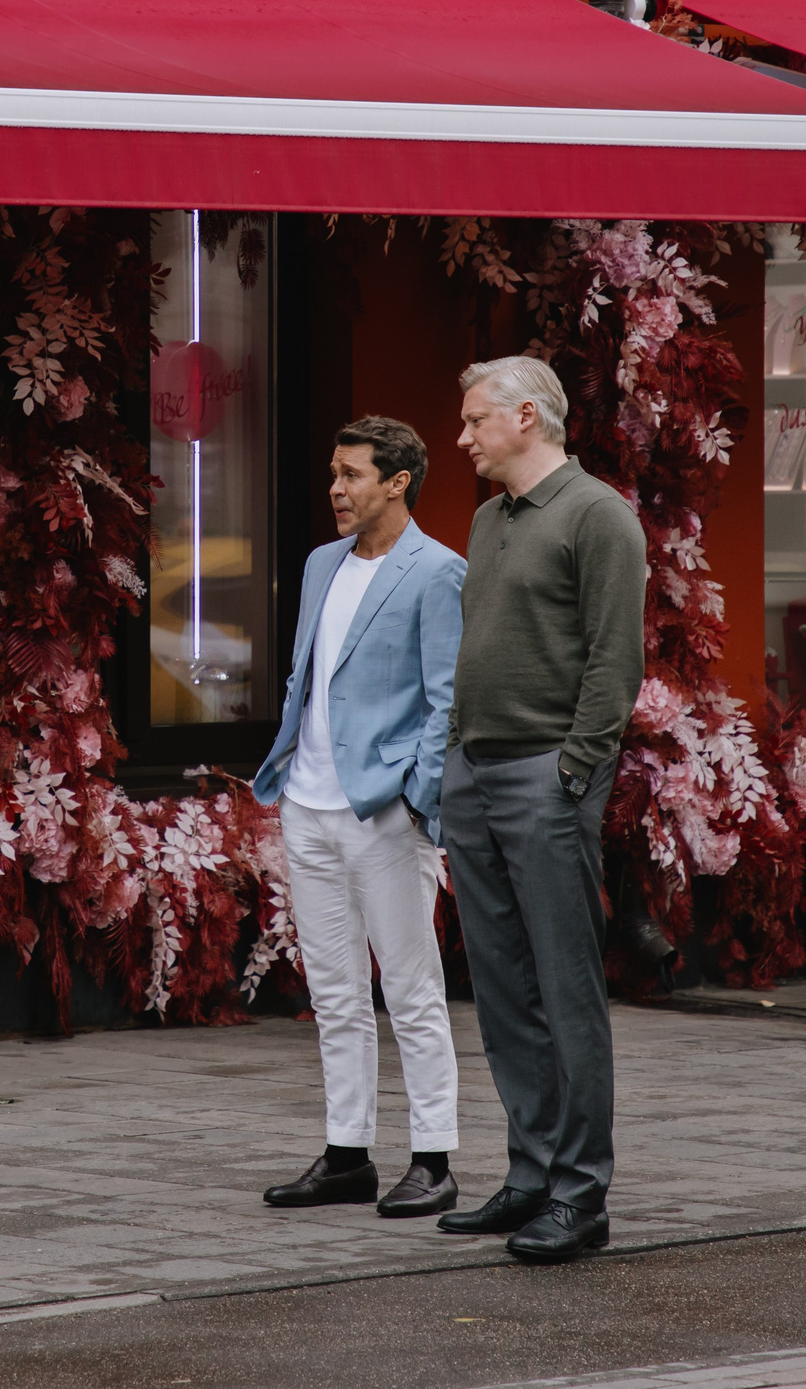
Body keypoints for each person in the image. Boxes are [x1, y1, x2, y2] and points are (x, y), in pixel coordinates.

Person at [436, 355, 646, 1263]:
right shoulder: (489, 519)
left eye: (476, 418)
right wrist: (454, 753)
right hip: (474, 773)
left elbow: (615, 661)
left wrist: (574, 771)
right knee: (501, 989)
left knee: (565, 990)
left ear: (528, 417)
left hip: (544, 779)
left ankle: (580, 1193)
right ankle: (529, 1175)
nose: (463, 434)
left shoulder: (599, 514)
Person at [252, 416, 467, 1219]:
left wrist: (416, 800)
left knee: (412, 988)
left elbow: (447, 702)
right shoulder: (319, 564)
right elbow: (307, 675)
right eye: (333, 474)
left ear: (397, 481)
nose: (336, 489)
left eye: (351, 475)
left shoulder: (438, 572)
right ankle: (348, 1154)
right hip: (305, 805)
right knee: (336, 992)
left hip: (382, 811)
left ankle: (434, 1157)